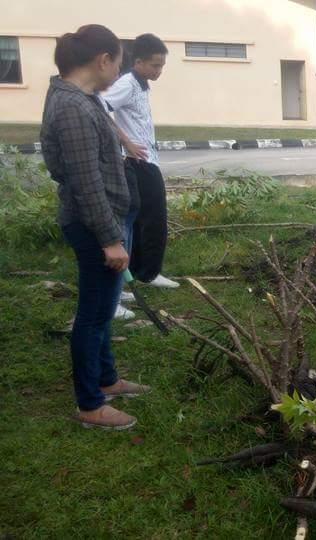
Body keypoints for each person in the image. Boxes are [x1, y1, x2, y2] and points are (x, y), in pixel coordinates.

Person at [41, 24, 151, 430]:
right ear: (104, 60)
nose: (118, 73)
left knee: (103, 311)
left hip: (102, 220)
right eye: (119, 64)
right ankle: (90, 403)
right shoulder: (72, 107)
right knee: (93, 315)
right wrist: (109, 239)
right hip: (94, 226)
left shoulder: (81, 99)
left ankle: (107, 379)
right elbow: (85, 181)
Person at [100, 33, 179, 307]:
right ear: (138, 62)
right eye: (155, 65)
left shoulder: (141, 84)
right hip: (136, 163)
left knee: (152, 219)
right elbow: (100, 107)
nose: (159, 71)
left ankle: (148, 273)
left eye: (162, 66)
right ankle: (135, 276)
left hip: (148, 160)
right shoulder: (126, 84)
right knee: (145, 219)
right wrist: (126, 142)